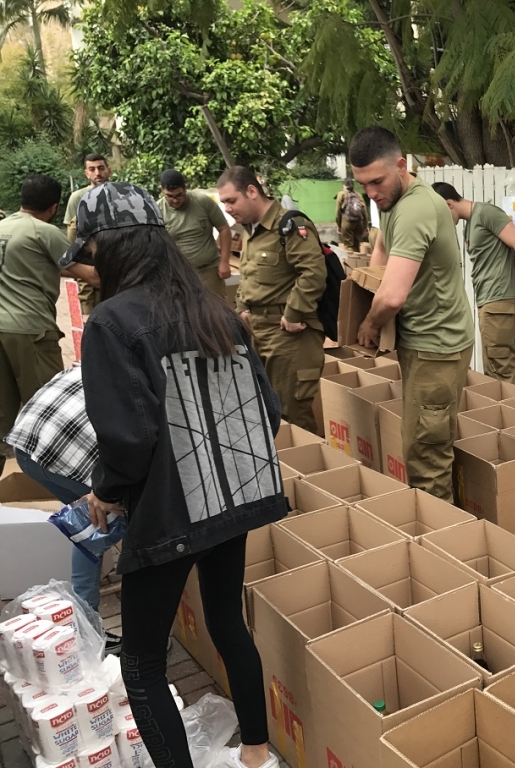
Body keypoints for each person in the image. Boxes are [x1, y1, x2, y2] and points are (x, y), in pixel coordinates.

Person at [60, 181, 286, 768]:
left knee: (141, 665)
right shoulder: (215, 311)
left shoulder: (113, 322)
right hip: (233, 500)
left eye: (91, 254)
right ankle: (257, 755)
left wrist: (106, 491)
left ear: (113, 248)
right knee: (227, 623)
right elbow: (268, 413)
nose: (89, 268)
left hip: (171, 513)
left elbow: (129, 438)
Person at [349, 127, 475, 503]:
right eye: (363, 185)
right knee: (427, 442)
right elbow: (382, 253)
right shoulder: (393, 201)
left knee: (426, 459)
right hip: (425, 341)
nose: (371, 193)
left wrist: (369, 323)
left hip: (436, 347)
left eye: (377, 181)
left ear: (402, 166)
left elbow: (392, 297)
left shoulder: (415, 209)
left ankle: (440, 534)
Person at [5, 366, 122, 654]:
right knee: (103, 524)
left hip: (27, 439)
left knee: (91, 527)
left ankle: (84, 629)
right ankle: (90, 632)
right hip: (61, 448)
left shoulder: (112, 355)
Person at [216, 166, 327, 434]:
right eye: (224, 203)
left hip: (288, 337)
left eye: (231, 201)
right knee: (268, 415)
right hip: (258, 333)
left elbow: (313, 272)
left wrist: (294, 313)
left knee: (294, 418)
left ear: (252, 191)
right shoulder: (250, 231)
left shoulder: (289, 225)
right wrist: (242, 309)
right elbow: (250, 277)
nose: (227, 209)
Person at [0, 175, 98, 474]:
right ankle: (53, 481)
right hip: (30, 331)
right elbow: (92, 276)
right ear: (54, 207)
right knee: (49, 409)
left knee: (3, 412)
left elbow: (33, 265)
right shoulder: (44, 232)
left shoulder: (4, 227)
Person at [430, 182, 515, 382]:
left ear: (449, 204)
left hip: (499, 302)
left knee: (499, 372)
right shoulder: (470, 224)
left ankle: (508, 404)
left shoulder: (487, 213)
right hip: (489, 303)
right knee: (494, 369)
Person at [157, 169, 233, 299]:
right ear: (162, 190)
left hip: (208, 269)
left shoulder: (203, 202)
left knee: (215, 307)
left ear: (185, 188)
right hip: (179, 273)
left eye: (179, 195)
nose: (175, 200)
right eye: (169, 196)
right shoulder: (158, 210)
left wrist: (224, 261)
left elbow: (224, 229)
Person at [65, 154, 112, 317]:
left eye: (101, 168)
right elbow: (74, 243)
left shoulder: (121, 195)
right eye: (92, 169)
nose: (97, 173)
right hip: (91, 270)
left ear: (109, 170)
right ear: (86, 173)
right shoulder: (77, 198)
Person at [336, 179, 368, 251]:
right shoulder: (358, 195)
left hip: (347, 222)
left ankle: (351, 258)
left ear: (344, 185)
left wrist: (338, 225)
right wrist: (365, 225)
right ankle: (358, 257)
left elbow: (338, 211)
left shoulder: (341, 194)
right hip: (359, 223)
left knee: (348, 246)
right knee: (357, 245)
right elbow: (364, 211)